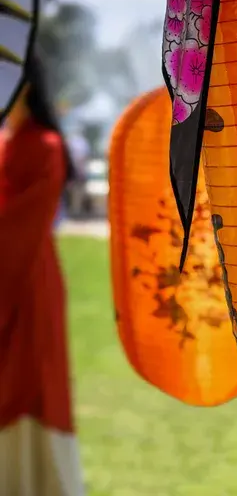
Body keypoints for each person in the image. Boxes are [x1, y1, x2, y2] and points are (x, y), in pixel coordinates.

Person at [0, 52, 84, 495]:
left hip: (26, 274)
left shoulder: (46, 147)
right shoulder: (6, 140)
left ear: (24, 82)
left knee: (30, 377)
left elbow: (18, 226)